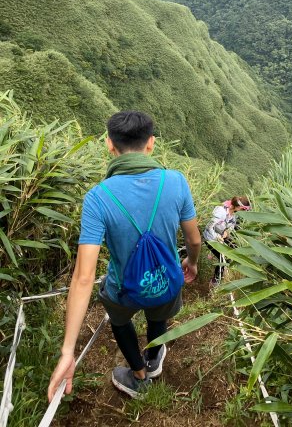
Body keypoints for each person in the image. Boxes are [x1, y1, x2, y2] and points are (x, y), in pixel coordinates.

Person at [47, 111, 201, 400]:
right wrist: (191, 263)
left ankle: (139, 376)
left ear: (109, 145)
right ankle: (154, 359)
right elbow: (194, 238)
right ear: (151, 144)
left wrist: (68, 351)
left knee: (120, 321)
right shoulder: (176, 181)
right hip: (166, 280)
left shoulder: (98, 197)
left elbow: (84, 277)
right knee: (159, 314)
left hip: (122, 289)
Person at [203, 196, 250, 285]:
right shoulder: (221, 211)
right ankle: (215, 282)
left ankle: (220, 276)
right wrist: (217, 237)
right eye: (243, 210)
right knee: (223, 257)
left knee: (234, 249)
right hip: (210, 237)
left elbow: (230, 227)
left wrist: (227, 232)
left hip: (221, 237)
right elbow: (209, 227)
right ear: (239, 207)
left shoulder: (233, 215)